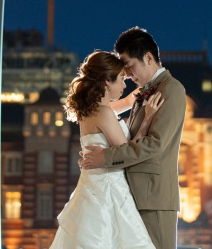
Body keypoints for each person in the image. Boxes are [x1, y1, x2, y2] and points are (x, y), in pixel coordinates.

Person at [82, 27, 186, 249]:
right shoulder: (142, 94)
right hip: (131, 196)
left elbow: (154, 144)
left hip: (153, 199)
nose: (127, 75)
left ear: (148, 58)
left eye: (129, 66)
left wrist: (105, 157)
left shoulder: (172, 90)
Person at [50, 50, 164, 249]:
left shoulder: (90, 110)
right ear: (106, 82)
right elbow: (128, 152)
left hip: (92, 188)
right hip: (109, 191)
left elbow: (126, 103)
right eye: (121, 79)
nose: (124, 84)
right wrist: (147, 118)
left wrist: (138, 94)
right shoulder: (104, 113)